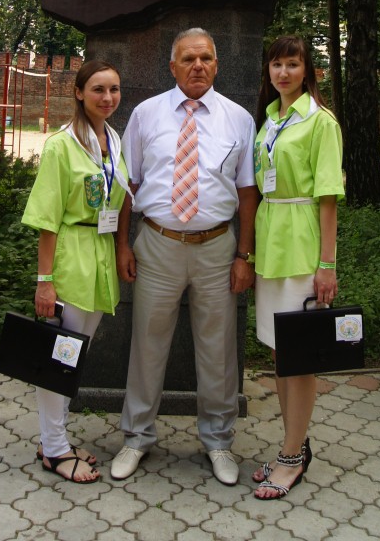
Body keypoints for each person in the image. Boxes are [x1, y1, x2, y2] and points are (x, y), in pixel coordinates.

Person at [112, 28, 258, 485]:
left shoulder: (239, 119)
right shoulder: (146, 114)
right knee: (147, 345)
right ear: (172, 66)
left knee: (218, 350)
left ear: (217, 65)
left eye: (206, 58)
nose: (198, 66)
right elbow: (128, 186)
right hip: (157, 245)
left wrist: (245, 254)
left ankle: (219, 441)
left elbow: (248, 192)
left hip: (217, 248)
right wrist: (122, 244)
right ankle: (137, 436)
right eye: (189, 59)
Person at [21, 60, 129, 484]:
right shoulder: (61, 146)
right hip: (71, 255)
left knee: (73, 356)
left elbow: (121, 198)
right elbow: (47, 220)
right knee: (59, 356)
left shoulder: (113, 140)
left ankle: (56, 439)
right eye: (98, 89)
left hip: (99, 254)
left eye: (114, 89)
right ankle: (54, 449)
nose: (107, 97)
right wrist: (45, 281)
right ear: (79, 93)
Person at [251, 35, 343, 500]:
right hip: (270, 243)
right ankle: (294, 446)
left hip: (302, 245)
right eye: (276, 64)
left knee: (299, 355)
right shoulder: (270, 118)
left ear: (308, 71)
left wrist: (327, 264)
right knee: (279, 352)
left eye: (292, 64)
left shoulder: (320, 121)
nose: (283, 72)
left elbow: (328, 198)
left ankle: (291, 458)